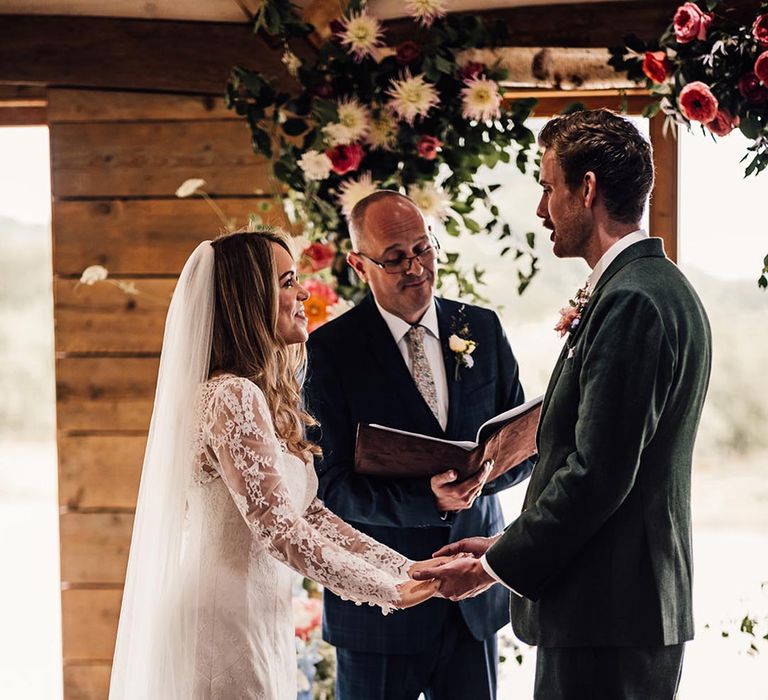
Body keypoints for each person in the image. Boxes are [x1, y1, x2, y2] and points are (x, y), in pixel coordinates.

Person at [414, 109, 713, 699]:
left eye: (548, 187)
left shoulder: (633, 301)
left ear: (588, 188)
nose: (540, 207)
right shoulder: (653, 289)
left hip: (607, 616)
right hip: (613, 610)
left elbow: (597, 475)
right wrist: (506, 544)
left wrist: (493, 568)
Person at [108, 229, 442, 700]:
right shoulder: (232, 395)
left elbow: (308, 513)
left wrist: (405, 569)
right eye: (286, 282)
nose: (303, 291)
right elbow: (277, 527)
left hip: (257, 614)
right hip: (222, 622)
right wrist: (383, 590)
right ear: (248, 299)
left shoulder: (256, 394)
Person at [304, 191, 534, 700]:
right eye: (394, 257)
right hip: (380, 605)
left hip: (472, 601)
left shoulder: (483, 329)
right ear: (358, 264)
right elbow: (328, 489)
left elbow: (526, 448)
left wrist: (481, 479)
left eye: (423, 248)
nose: (416, 267)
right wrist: (427, 500)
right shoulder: (329, 351)